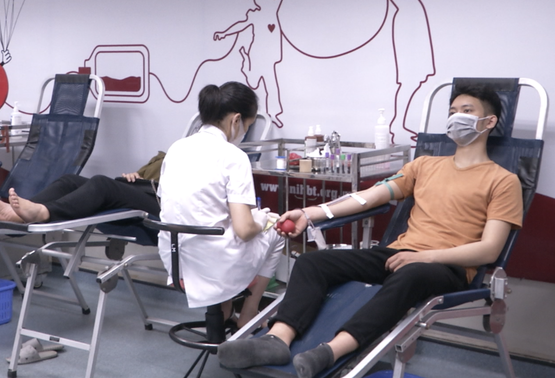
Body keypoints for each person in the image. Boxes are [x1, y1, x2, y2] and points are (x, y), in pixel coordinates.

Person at [217, 84, 523, 378]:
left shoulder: (503, 181)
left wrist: (425, 257)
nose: (457, 118)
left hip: (446, 266)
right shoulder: (424, 166)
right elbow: (369, 197)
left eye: (467, 111)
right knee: (313, 262)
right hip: (398, 254)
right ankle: (277, 341)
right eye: (453, 111)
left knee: (411, 274)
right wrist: (310, 214)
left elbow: (489, 249)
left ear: (489, 121)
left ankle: (331, 351)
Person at [157, 81, 284, 328]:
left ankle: (224, 310)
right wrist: (261, 221)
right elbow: (245, 230)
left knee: (227, 231)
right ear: (236, 120)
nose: (244, 132)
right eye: (248, 126)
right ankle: (249, 313)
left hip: (176, 261)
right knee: (276, 229)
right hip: (215, 266)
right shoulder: (234, 157)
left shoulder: (176, 148)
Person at [0, 152, 164, 228]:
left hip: (162, 204)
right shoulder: (170, 154)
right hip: (142, 189)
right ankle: (20, 214)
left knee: (101, 184)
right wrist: (138, 175)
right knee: (69, 181)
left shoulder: (182, 156)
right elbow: (149, 173)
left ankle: (43, 212)